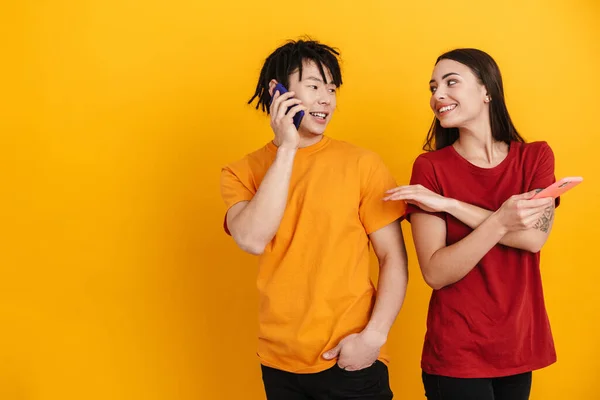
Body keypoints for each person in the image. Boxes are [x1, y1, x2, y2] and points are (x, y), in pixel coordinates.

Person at [220, 38, 408, 399]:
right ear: (278, 93)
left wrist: (373, 338)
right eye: (313, 86)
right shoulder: (241, 172)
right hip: (278, 362)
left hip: (350, 359)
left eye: (331, 89)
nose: (326, 99)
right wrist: (286, 148)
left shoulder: (362, 164)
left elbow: (392, 258)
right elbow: (251, 239)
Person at [384, 48, 558, 400]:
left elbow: (533, 238)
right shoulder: (430, 169)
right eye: (433, 87)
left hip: (517, 347)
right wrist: (500, 221)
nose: (437, 95)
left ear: (487, 90)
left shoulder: (535, 157)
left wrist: (450, 204)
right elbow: (435, 272)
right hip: (457, 353)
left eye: (451, 82)